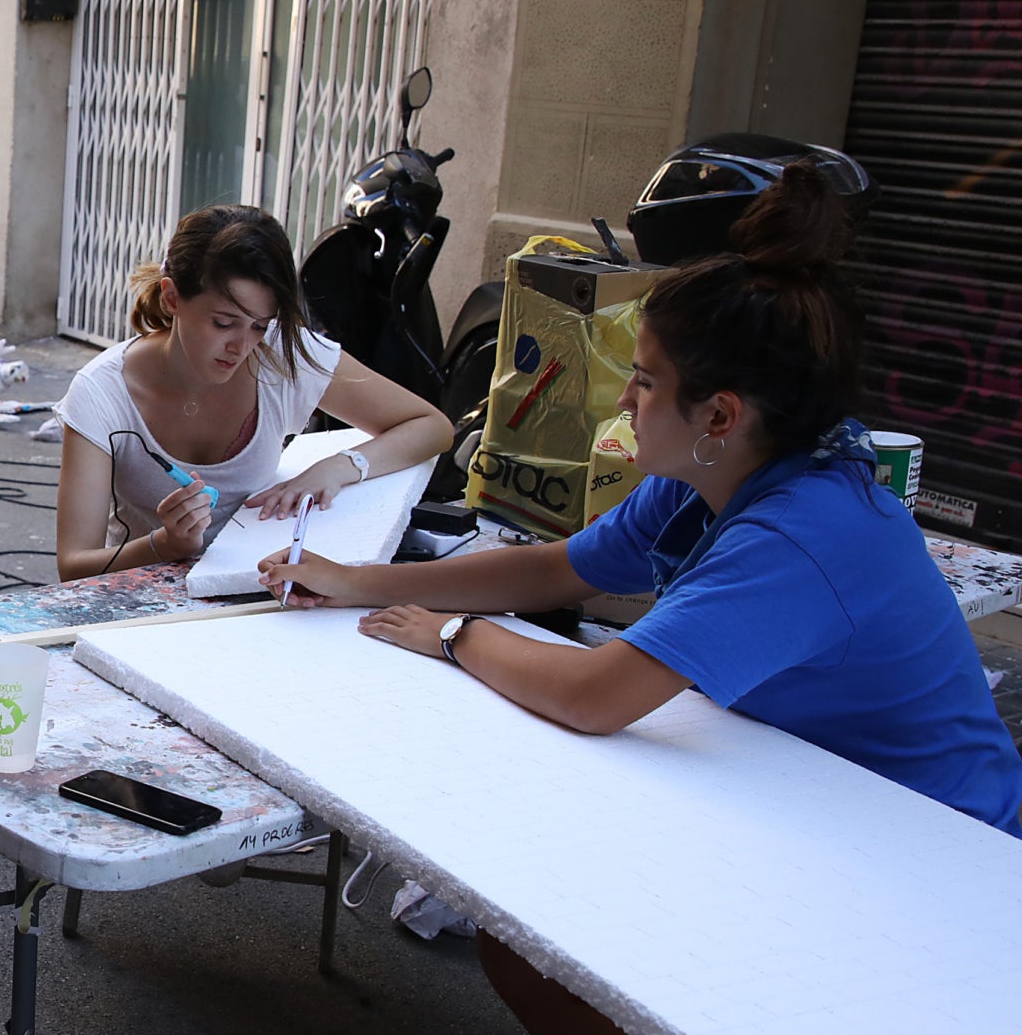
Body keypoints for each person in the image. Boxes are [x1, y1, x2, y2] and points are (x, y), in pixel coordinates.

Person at [264, 163, 1022, 837]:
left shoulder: (804, 533)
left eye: (646, 382)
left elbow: (596, 697)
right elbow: (561, 571)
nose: (623, 399)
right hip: (804, 788)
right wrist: (356, 582)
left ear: (721, 415)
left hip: (939, 843)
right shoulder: (719, 470)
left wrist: (453, 634)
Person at [54, 205, 453, 581]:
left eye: (259, 325)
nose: (242, 346)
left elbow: (431, 426)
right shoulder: (102, 392)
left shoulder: (284, 353)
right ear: (173, 297)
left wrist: (341, 466)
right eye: (224, 322)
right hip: (139, 607)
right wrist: (165, 544)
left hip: (261, 590)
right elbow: (73, 566)